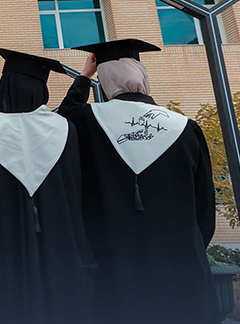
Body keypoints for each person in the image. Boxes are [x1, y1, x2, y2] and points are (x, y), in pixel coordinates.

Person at [60, 39, 218, 324]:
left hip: (114, 260)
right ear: (142, 76)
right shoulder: (185, 127)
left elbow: (64, 114)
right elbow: (205, 204)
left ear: (105, 81)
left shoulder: (87, 120)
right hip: (180, 261)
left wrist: (84, 77)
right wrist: (190, 244)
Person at [0, 47, 95, 324]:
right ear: (41, 91)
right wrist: (83, 78)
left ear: (4, 88)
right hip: (61, 252)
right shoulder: (64, 129)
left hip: (2, 257)